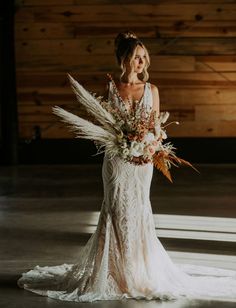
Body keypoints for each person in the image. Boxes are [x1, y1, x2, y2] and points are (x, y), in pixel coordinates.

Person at [17, 31, 236, 303]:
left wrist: (151, 145)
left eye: (144, 57)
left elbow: (156, 127)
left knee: (139, 210)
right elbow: (106, 128)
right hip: (117, 160)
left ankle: (139, 270)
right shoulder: (112, 88)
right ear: (124, 60)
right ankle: (113, 271)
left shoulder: (152, 90)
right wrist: (125, 143)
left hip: (143, 161)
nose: (141, 63)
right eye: (136, 58)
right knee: (116, 209)